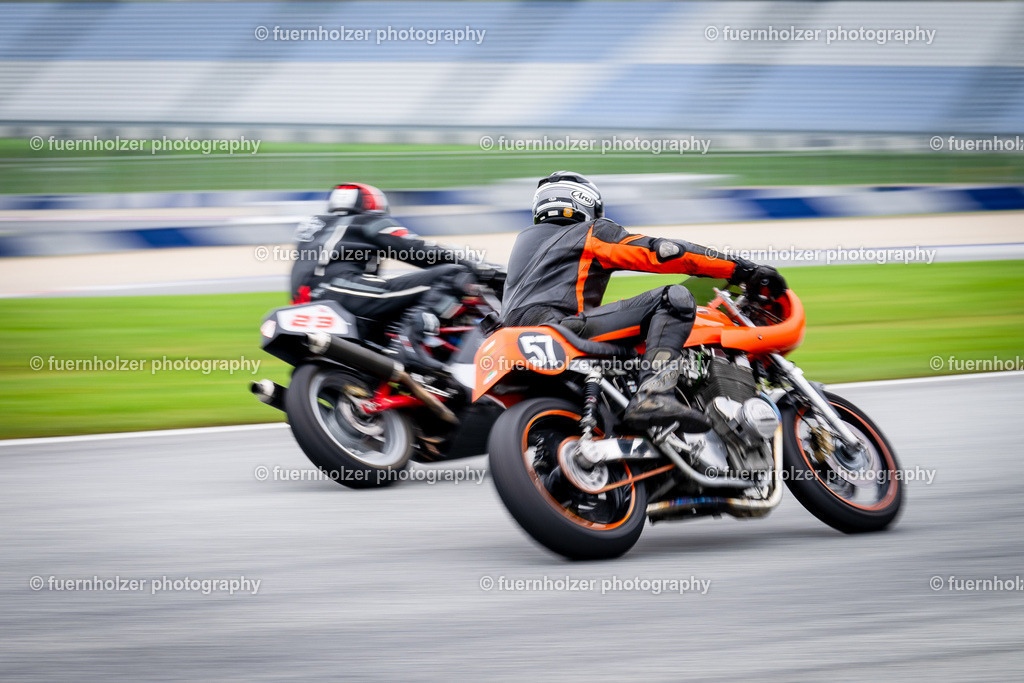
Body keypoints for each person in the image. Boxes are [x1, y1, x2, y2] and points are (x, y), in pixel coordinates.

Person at [500, 171, 787, 432]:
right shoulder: (589, 232)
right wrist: (740, 269)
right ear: (589, 205)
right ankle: (655, 395)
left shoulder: (523, 245)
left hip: (519, 344)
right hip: (560, 329)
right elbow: (664, 252)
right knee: (672, 298)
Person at [291, 182, 501, 370]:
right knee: (451, 275)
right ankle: (410, 344)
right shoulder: (366, 220)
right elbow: (418, 250)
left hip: (304, 304)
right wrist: (477, 265)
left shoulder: (315, 227)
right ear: (373, 206)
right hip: (340, 291)